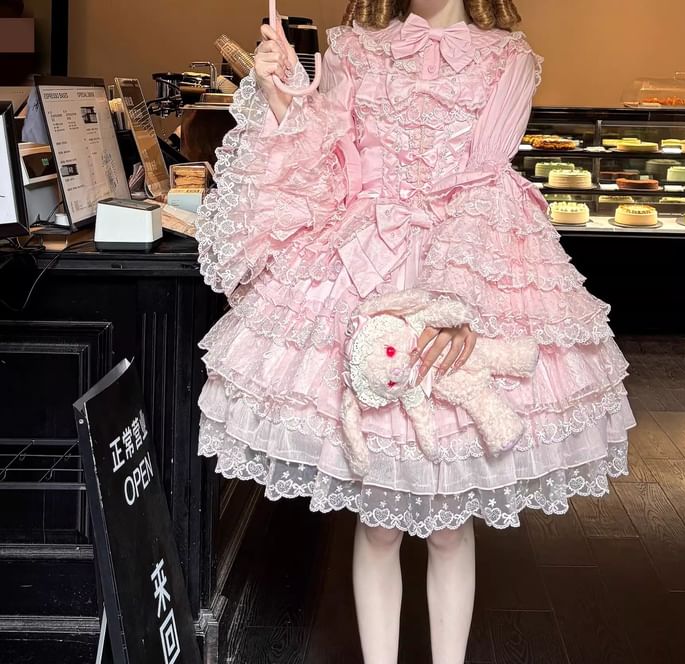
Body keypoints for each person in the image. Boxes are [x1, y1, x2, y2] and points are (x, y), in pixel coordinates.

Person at [195, 1, 634, 661]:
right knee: (378, 524)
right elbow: (325, 169)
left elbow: (486, 190)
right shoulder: (354, 49)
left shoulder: (507, 59)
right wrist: (280, 94)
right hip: (362, 270)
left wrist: (455, 301)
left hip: (466, 272)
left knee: (450, 527)